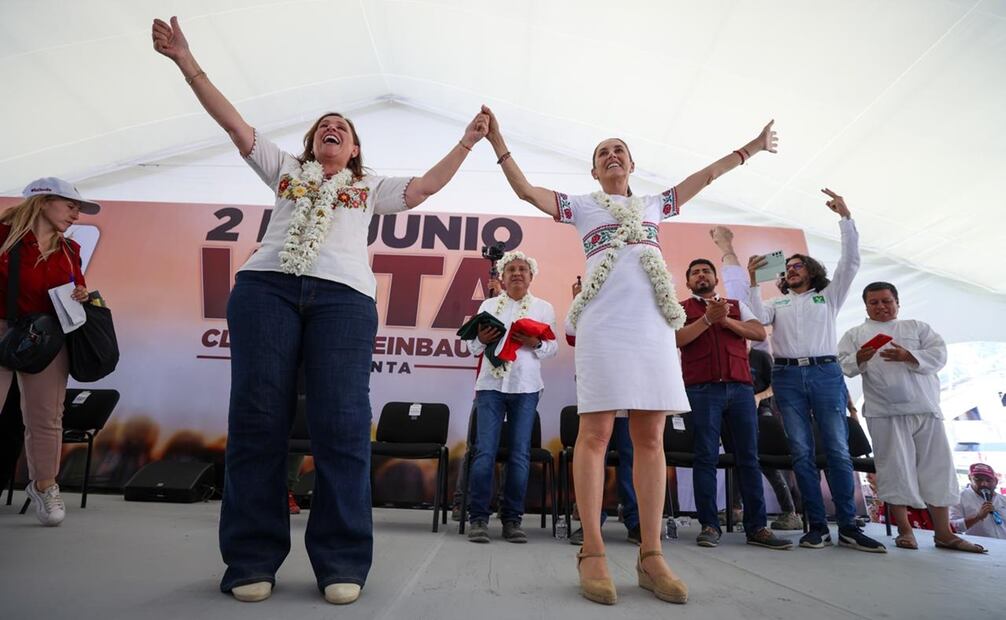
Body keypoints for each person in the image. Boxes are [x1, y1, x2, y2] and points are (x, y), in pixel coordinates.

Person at [152, 16, 488, 604]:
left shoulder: (372, 187)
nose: (332, 129)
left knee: (341, 427)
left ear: (354, 150)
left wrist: (466, 140)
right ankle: (252, 559)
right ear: (312, 144)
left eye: (344, 129)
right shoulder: (285, 171)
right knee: (258, 420)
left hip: (344, 301)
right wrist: (186, 60)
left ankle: (341, 563)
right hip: (266, 290)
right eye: (323, 127)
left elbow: (429, 186)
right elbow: (234, 124)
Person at [485, 103, 777, 605]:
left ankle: (650, 554)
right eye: (603, 153)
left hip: (653, 329)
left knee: (650, 436)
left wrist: (750, 148)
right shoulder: (581, 205)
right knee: (595, 435)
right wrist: (497, 142)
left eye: (619, 150)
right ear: (594, 171)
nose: (612, 155)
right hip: (602, 325)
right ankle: (593, 550)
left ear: (632, 165)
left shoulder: (655, 204)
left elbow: (704, 176)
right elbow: (525, 191)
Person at [746, 190, 886, 553]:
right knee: (801, 453)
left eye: (797, 266)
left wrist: (845, 218)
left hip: (826, 373)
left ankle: (850, 526)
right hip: (788, 377)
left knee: (838, 450)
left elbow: (851, 262)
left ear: (811, 271)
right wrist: (751, 281)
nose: (791, 270)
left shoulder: (829, 295)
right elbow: (756, 318)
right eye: (787, 267)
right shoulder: (776, 302)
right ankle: (817, 526)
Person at [838, 282, 984, 552]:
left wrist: (909, 355)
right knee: (894, 471)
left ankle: (944, 532)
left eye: (886, 301)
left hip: (924, 409)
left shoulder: (917, 327)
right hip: (884, 413)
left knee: (937, 469)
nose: (881, 306)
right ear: (866, 306)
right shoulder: (855, 334)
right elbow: (843, 367)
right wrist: (859, 357)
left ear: (897, 302)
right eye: (874, 302)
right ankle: (905, 531)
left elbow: (939, 355)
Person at [676, 259, 792, 550]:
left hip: (740, 390)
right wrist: (706, 320)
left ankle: (757, 528)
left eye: (706, 271)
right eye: (695, 273)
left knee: (748, 459)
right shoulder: (679, 308)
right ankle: (709, 525)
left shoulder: (736, 305)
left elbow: (758, 333)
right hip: (701, 390)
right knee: (705, 458)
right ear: (688, 282)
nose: (701, 276)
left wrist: (724, 319)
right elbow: (677, 338)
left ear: (716, 278)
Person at [1, 177, 96, 526]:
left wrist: (81, 294)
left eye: (78, 210)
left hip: (46, 336)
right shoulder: (3, 236)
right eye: (70, 206)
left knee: (46, 418)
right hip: (2, 330)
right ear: (43, 201)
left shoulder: (70, 250)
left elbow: (76, 286)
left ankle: (44, 486)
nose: (76, 215)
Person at [709, 225, 802, 530]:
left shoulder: (760, 346)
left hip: (761, 409)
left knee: (761, 457)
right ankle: (735, 508)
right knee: (736, 455)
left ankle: (790, 511)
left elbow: (773, 382)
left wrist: (757, 397)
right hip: (729, 398)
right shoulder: (730, 342)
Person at [463, 251, 557, 543]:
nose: (517, 273)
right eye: (511, 269)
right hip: (491, 386)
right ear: (502, 277)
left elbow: (552, 349)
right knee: (484, 452)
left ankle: (512, 520)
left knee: (519, 455)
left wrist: (535, 342)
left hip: (526, 387)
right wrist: (483, 339)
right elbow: (472, 348)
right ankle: (478, 518)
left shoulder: (543, 307)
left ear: (531, 277)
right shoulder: (489, 304)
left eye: (523, 269)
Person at [564, 277, 641, 547]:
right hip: (599, 394)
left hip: (630, 397)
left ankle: (635, 522)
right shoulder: (587, 306)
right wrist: (579, 301)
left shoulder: (633, 306)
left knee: (631, 460)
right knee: (595, 458)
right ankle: (590, 524)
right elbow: (572, 336)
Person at [950, 463, 1006, 540]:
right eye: (978, 479)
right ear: (970, 478)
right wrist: (977, 517)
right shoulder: (959, 498)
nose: (984, 484)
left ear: (995, 481)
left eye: (988, 480)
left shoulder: (1003, 500)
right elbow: (953, 527)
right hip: (978, 547)